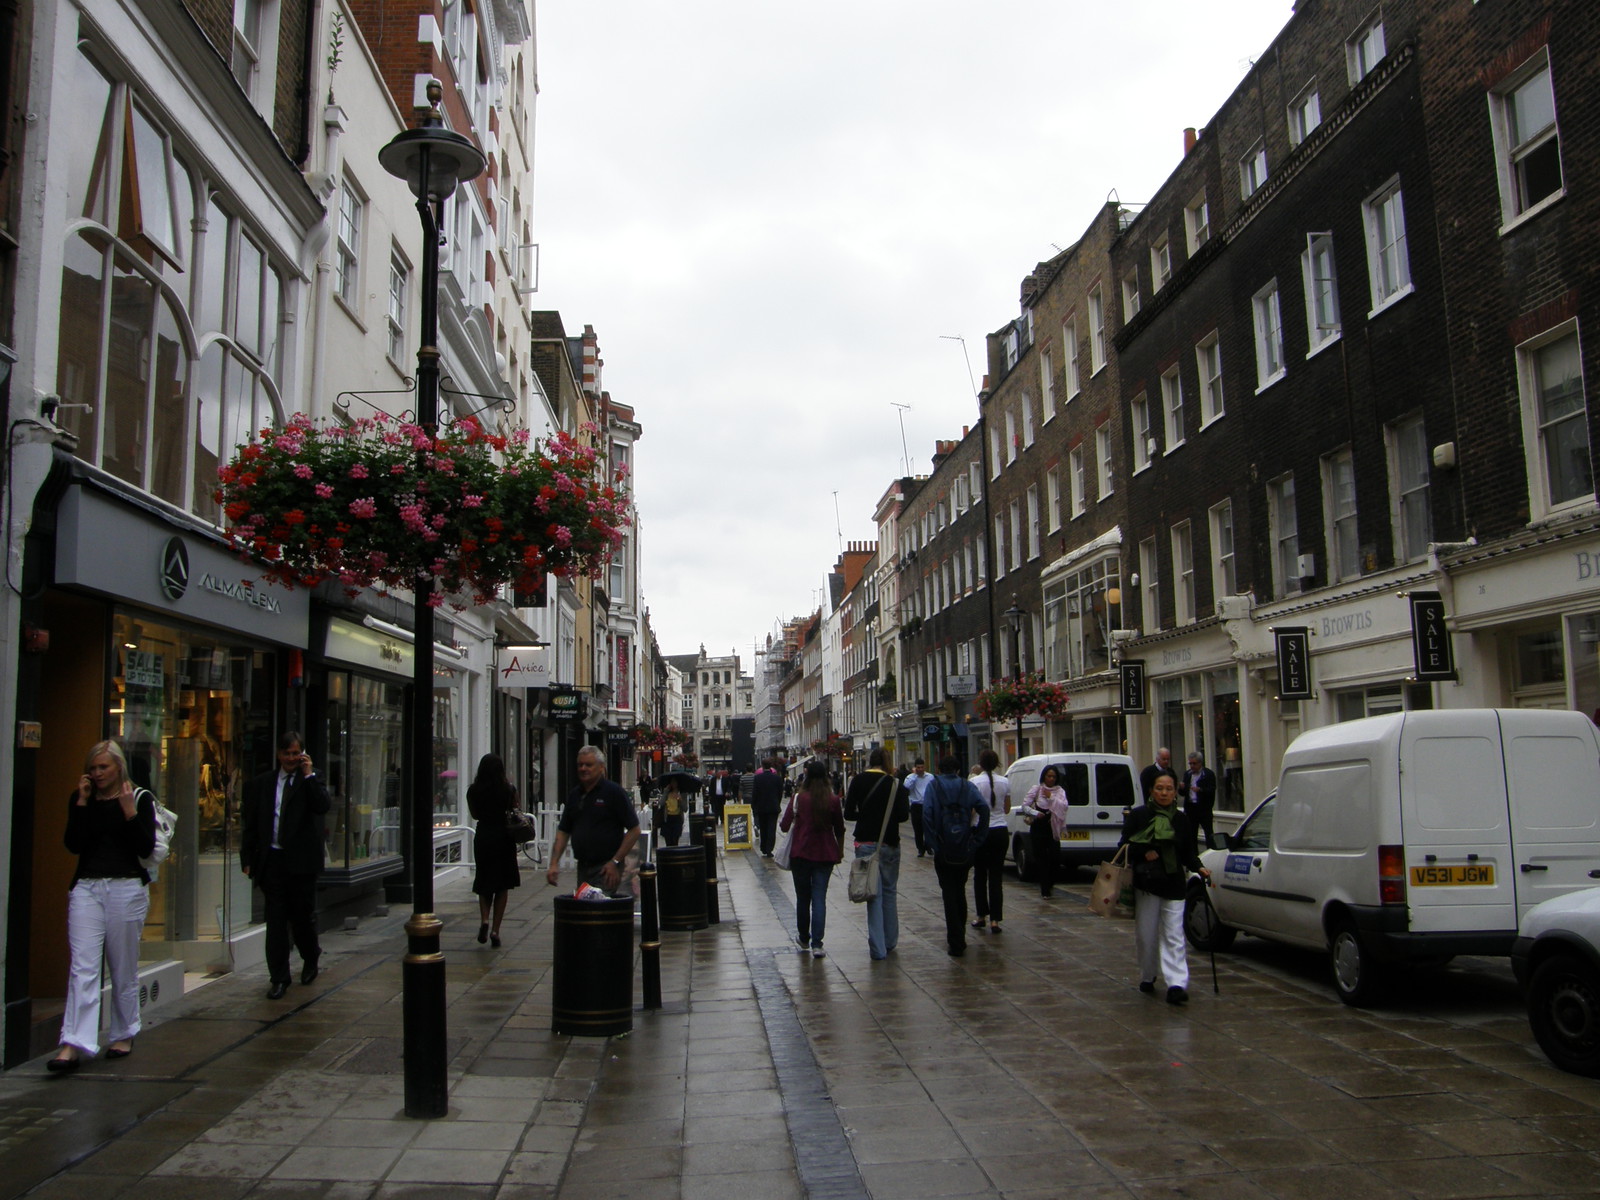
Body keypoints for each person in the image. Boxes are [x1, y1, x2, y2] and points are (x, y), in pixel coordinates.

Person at [49, 740, 157, 1071]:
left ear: (118, 767)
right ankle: (74, 1042)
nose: (97, 774)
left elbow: (145, 846)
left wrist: (128, 812)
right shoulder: (82, 799)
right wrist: (81, 802)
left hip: (126, 886)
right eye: (93, 768)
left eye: (103, 768)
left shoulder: (139, 798)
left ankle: (124, 1031)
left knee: (122, 964)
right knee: (83, 965)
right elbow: (73, 844)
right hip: (87, 887)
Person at [241, 731, 331, 1000]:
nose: (291, 758)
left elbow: (321, 806)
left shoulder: (311, 780)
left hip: (301, 863)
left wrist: (309, 775)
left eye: (296, 753)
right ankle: (279, 977)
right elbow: (252, 824)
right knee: (276, 923)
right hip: (273, 862)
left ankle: (310, 956)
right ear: (279, 755)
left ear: (302, 754)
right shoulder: (262, 784)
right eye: (287, 754)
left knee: (302, 917)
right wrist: (247, 858)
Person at [1120, 771, 1210, 1004]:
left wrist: (1199, 867)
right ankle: (1148, 975)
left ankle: (1176, 984)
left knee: (1174, 935)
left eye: (1169, 788)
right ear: (1151, 790)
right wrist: (1143, 852)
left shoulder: (1181, 819)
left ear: (1174, 792)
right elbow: (1124, 847)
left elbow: (1188, 851)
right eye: (1159, 788)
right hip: (1147, 884)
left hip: (1173, 883)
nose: (1164, 793)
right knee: (1146, 935)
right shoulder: (1139, 816)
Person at [842, 747, 910, 960]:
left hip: (865, 843)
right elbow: (902, 816)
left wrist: (866, 813)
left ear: (869, 761)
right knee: (889, 891)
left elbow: (849, 813)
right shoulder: (895, 784)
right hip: (889, 842)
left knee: (873, 894)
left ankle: (878, 949)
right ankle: (890, 942)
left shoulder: (858, 781)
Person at [548, 746, 641, 896]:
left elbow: (634, 830)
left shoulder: (613, 792)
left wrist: (615, 861)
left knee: (599, 908)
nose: (583, 768)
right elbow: (564, 830)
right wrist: (553, 863)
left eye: (588, 765)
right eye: (580, 765)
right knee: (586, 910)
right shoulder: (575, 795)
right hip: (584, 867)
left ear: (601, 768)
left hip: (606, 867)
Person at [923, 754, 989, 957]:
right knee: (959, 889)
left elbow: (926, 814)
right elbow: (984, 808)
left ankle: (956, 940)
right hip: (964, 847)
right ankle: (960, 932)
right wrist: (978, 837)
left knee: (948, 892)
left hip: (944, 847)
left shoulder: (933, 787)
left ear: (940, 769)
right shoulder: (967, 786)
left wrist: (933, 842)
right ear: (958, 770)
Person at [779, 761, 845, 958]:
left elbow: (783, 825)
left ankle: (803, 937)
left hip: (800, 853)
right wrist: (840, 851)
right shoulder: (832, 800)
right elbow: (839, 828)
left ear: (806, 777)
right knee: (819, 899)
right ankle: (818, 943)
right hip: (825, 854)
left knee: (802, 898)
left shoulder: (798, 798)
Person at [466, 753, 520, 948]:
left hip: (484, 836)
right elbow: (516, 810)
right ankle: (496, 930)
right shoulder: (508, 789)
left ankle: (484, 920)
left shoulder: (473, 791)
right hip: (503, 837)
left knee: (484, 880)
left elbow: (474, 814)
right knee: (502, 885)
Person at [969, 749, 1012, 933]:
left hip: (981, 830)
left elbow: (971, 810)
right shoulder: (1005, 782)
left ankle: (981, 916)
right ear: (997, 764)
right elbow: (1007, 808)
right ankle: (996, 919)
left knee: (980, 876)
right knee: (996, 877)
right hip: (1000, 831)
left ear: (980, 763)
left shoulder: (974, 782)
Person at [1023, 765, 1070, 897]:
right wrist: (1035, 813)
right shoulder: (1036, 789)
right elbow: (1025, 806)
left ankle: (1050, 883)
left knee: (1055, 858)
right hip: (1038, 827)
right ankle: (1045, 889)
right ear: (1044, 776)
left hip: (1053, 828)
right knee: (1041, 859)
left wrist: (1051, 797)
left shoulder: (1059, 791)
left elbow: (1064, 806)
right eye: (1048, 776)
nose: (1051, 779)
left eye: (1053, 776)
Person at [1182, 750, 1218, 851]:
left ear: (1200, 763)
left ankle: (1211, 853)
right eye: (1190, 763)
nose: (1192, 766)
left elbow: (1212, 789)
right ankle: (1194, 857)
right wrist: (1182, 788)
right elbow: (1183, 793)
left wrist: (1200, 790)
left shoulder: (1208, 774)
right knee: (1192, 834)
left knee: (1209, 833)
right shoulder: (1188, 774)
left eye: (1194, 763)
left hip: (1204, 809)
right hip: (1191, 809)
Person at [750, 758, 784, 857]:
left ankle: (763, 847)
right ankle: (769, 849)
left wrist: (754, 806)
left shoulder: (758, 778)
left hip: (762, 807)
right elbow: (780, 793)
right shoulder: (777, 778)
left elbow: (755, 794)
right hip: (773, 807)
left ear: (762, 766)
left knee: (763, 828)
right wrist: (777, 803)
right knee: (771, 829)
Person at [905, 758, 934, 856]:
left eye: (922, 767)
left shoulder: (930, 777)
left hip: (927, 805)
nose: (920, 769)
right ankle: (920, 849)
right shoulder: (910, 778)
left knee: (928, 827)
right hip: (916, 806)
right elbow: (906, 787)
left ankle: (929, 846)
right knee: (918, 829)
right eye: (918, 767)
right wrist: (914, 776)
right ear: (915, 768)